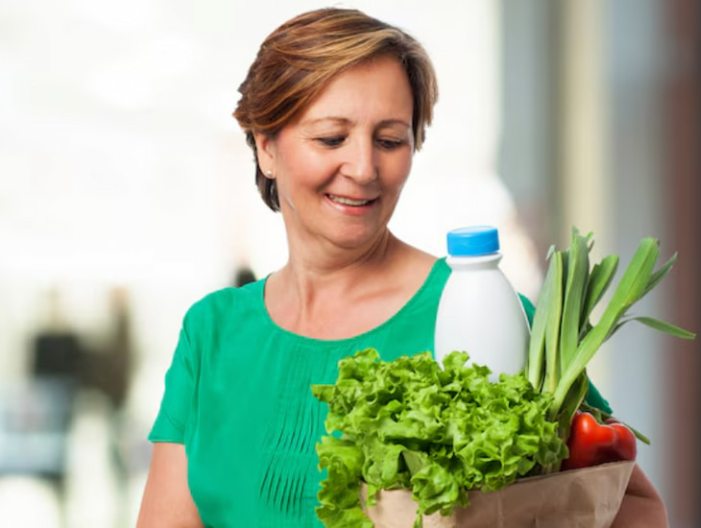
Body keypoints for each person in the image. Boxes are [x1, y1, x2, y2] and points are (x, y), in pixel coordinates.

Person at [137, 7, 667, 527]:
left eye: (390, 140)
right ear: (266, 147)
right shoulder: (212, 333)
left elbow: (637, 511)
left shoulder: (479, 313)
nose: (364, 168)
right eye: (331, 137)